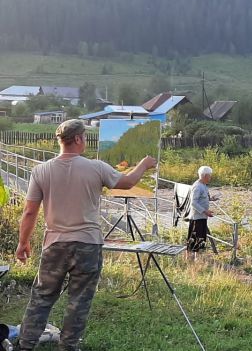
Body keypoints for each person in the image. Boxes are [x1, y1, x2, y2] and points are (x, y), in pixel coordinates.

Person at [15, 119, 157, 351]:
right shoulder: (96, 167)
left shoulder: (40, 170)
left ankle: (25, 345)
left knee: (41, 298)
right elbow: (129, 182)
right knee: (79, 301)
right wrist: (144, 163)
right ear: (79, 139)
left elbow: (30, 211)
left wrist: (23, 242)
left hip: (55, 244)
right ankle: (68, 346)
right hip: (87, 245)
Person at [187, 166, 214, 255]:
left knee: (201, 237)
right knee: (195, 237)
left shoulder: (204, 185)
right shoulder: (197, 186)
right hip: (196, 217)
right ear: (204, 175)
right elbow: (193, 203)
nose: (210, 178)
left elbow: (202, 198)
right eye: (209, 176)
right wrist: (205, 211)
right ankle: (191, 258)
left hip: (202, 216)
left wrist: (211, 199)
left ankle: (196, 258)